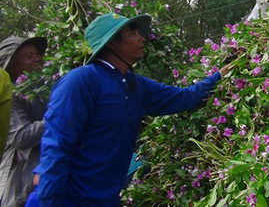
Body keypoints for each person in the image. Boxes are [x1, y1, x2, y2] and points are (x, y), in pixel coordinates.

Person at [30, 13, 231, 206]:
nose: (141, 38)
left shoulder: (135, 86)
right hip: (66, 200)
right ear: (111, 43)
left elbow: (183, 98)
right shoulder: (82, 81)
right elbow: (57, 146)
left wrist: (219, 76)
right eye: (132, 34)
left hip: (103, 200)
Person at [0, 36, 48, 207]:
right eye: (29, 56)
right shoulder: (11, 95)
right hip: (20, 185)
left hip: (41, 179)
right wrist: (58, 117)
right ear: (12, 67)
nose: (37, 59)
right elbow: (20, 136)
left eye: (36, 54)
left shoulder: (42, 89)